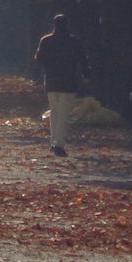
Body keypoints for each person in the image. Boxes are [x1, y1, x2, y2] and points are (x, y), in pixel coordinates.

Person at [32, 13, 91, 157]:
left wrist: (49, 65)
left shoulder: (46, 41)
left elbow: (38, 59)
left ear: (54, 25)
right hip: (69, 81)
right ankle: (59, 144)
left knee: (54, 111)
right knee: (64, 113)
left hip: (52, 80)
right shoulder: (74, 42)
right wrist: (86, 75)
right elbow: (83, 60)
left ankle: (54, 142)